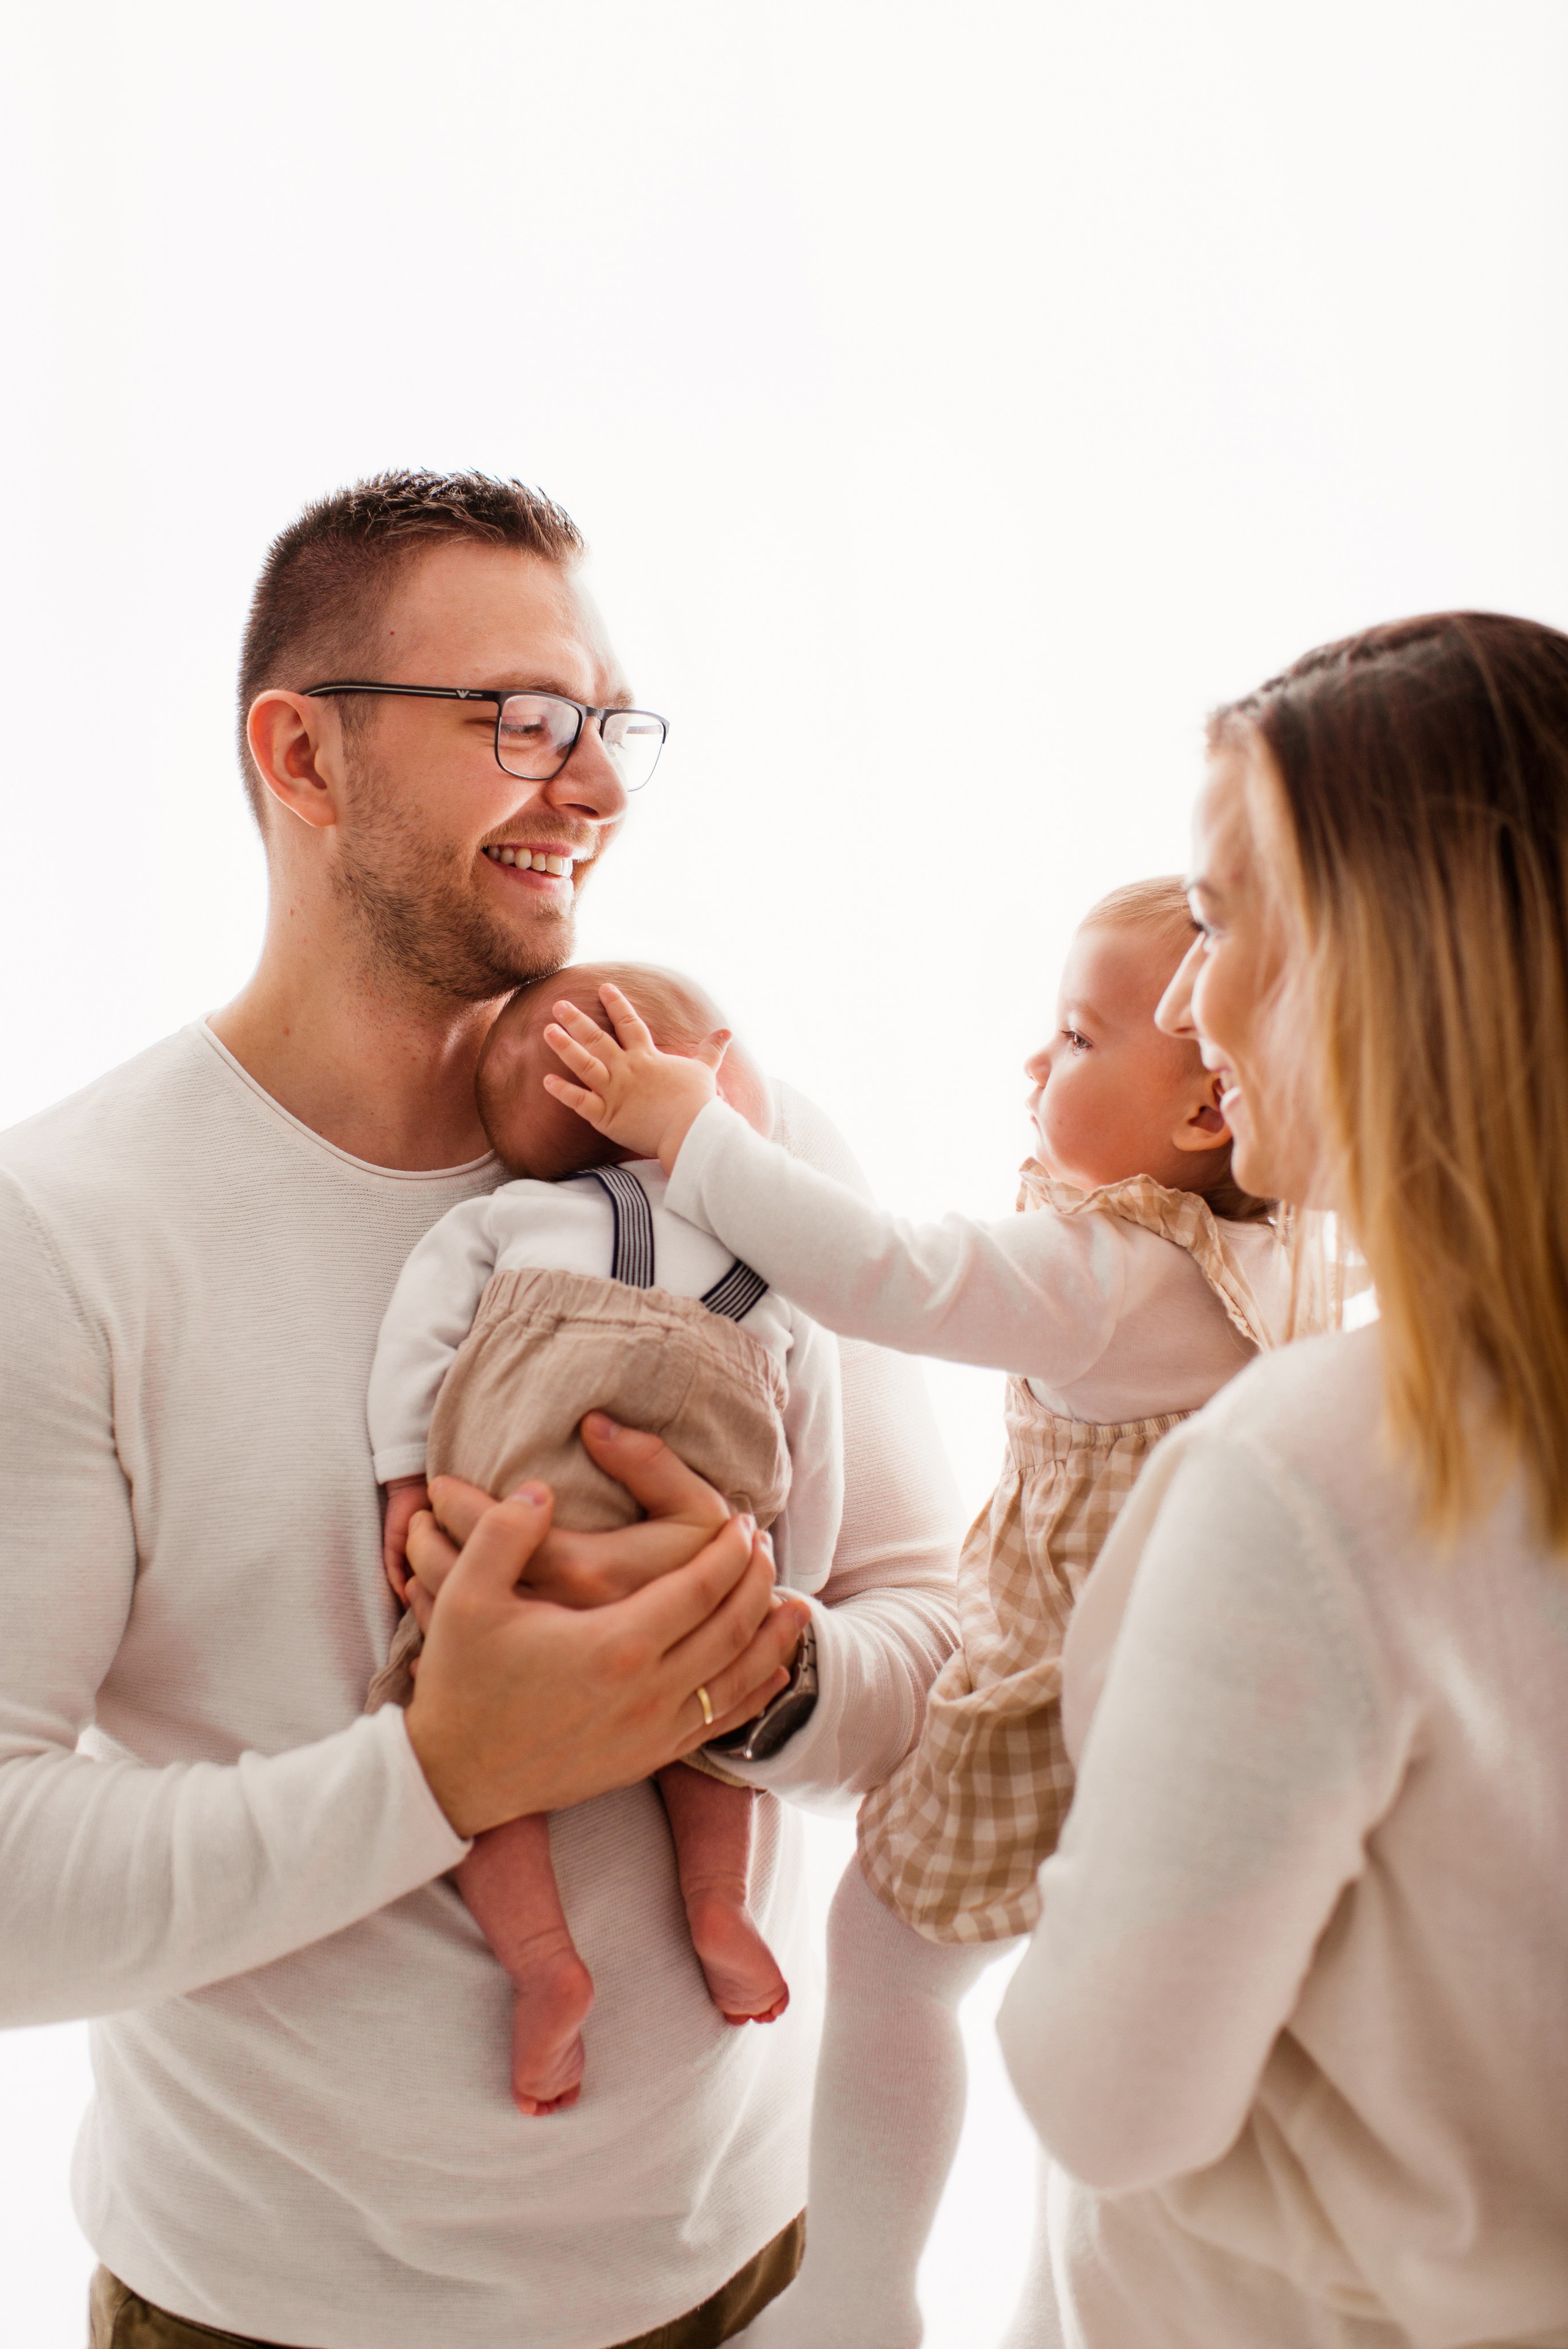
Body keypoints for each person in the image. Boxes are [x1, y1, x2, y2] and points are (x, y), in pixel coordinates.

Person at [0, 471, 960, 2349]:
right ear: (303, 753)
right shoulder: (68, 1235)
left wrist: (757, 1681)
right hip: (260, 2318)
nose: (593, 783)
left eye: (609, 726)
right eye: (524, 720)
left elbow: (957, 1627)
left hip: (757, 2274)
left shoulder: (741, 1142)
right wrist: (440, 1769)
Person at [541, 874, 1306, 2349]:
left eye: (1076, 1040)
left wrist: (690, 1134)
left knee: (889, 1954)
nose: (1034, 1063)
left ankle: (860, 2296)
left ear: (1209, 1108)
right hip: (1184, 1709)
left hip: (1059, 1706)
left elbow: (890, 1273)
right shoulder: (1261, 1252)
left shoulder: (1116, 1275)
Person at [993, 613, 1568, 2345]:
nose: (1186, 997)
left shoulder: (1314, 1467)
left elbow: (1108, 2096)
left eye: (1226, 917)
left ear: (1389, 956)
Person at [367, 962, 845, 2114]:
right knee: (716, 1708)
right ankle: (719, 1903)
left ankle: (544, 1963)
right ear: (716, 1071)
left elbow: (422, 1335)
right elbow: (809, 1437)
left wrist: (401, 1482)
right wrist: (787, 1584)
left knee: (455, 1735)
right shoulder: (779, 1263)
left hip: (516, 1527)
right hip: (706, 1540)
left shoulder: (504, 1218)